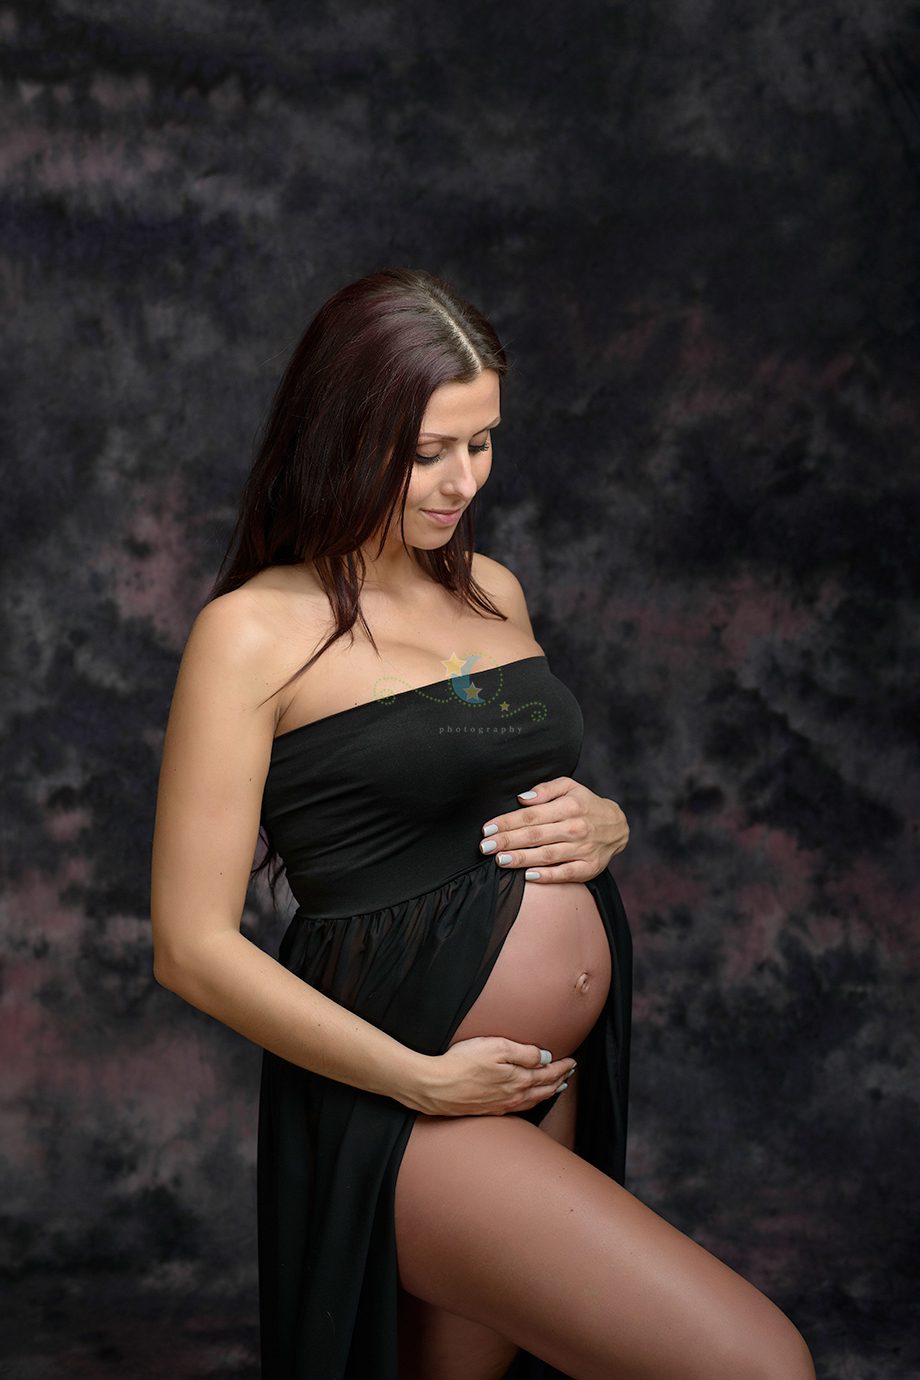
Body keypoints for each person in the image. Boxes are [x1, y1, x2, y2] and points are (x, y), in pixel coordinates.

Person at [150, 267, 816, 1380]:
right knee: (752, 1365)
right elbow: (191, 946)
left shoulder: (489, 592)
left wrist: (605, 822)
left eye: (482, 442)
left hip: (529, 1079)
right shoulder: (252, 634)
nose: (462, 481)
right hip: (405, 1097)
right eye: (426, 453)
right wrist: (417, 1081)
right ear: (340, 435)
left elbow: (493, 791)